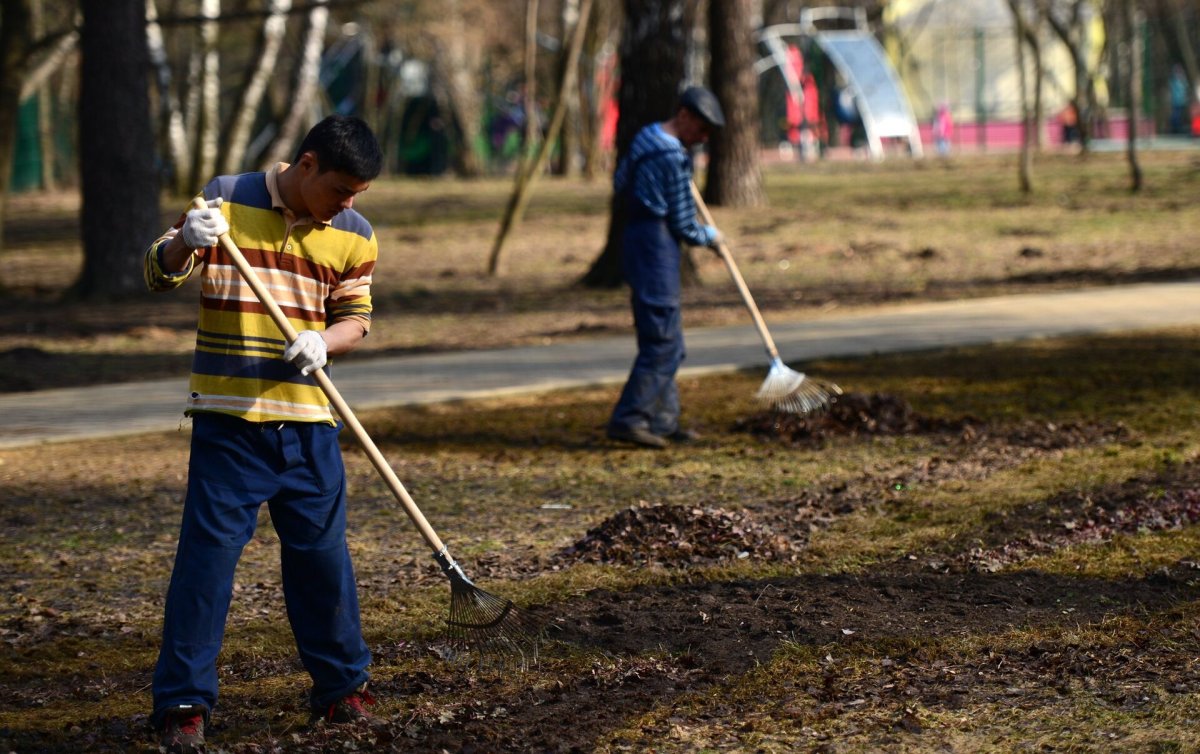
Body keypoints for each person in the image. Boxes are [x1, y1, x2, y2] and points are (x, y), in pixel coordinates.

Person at [143, 114, 384, 753]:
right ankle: (183, 704)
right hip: (227, 423)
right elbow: (160, 271)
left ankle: (342, 689)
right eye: (340, 189)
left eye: (358, 193)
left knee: (323, 564)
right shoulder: (223, 198)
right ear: (307, 165)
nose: (348, 204)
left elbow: (356, 319)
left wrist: (324, 341)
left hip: (309, 425)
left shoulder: (355, 234)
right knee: (206, 565)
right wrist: (184, 240)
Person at [605, 85, 724, 449]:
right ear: (683, 115)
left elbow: (620, 180)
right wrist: (711, 237)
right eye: (701, 129)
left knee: (663, 338)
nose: (703, 138)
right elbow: (684, 224)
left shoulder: (646, 136)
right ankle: (630, 418)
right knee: (663, 342)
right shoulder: (671, 157)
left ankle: (662, 420)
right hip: (656, 246)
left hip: (635, 238)